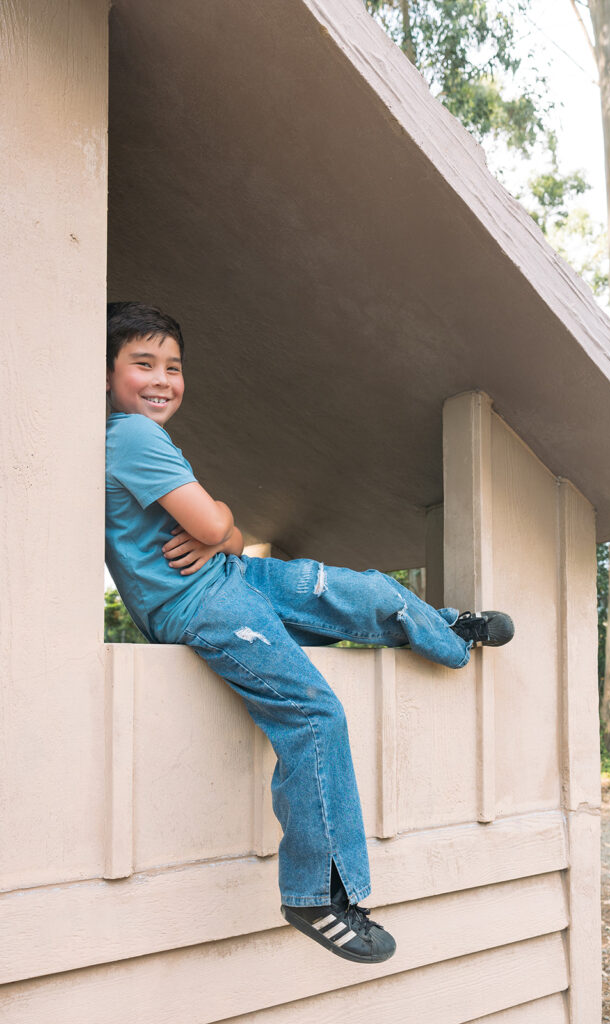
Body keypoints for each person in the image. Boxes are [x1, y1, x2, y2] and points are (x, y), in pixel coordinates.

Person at [105, 301, 514, 965]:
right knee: (314, 716)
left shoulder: (144, 439)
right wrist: (221, 526)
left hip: (231, 575)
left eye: (173, 367)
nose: (162, 379)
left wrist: (222, 527)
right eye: (142, 364)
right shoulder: (129, 437)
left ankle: (446, 633)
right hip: (198, 605)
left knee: (356, 590)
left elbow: (222, 534)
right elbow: (213, 528)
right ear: (106, 376)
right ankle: (315, 894)